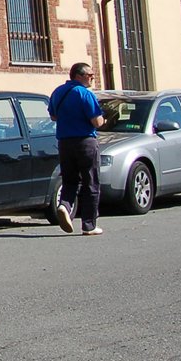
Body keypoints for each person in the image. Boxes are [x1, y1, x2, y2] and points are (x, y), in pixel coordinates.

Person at [50, 61, 106, 235]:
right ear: (79, 76)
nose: (92, 78)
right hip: (85, 142)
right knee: (91, 182)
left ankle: (64, 206)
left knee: (70, 180)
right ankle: (89, 225)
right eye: (90, 75)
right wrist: (104, 120)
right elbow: (96, 121)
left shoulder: (58, 92)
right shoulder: (85, 94)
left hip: (64, 143)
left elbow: (53, 116)